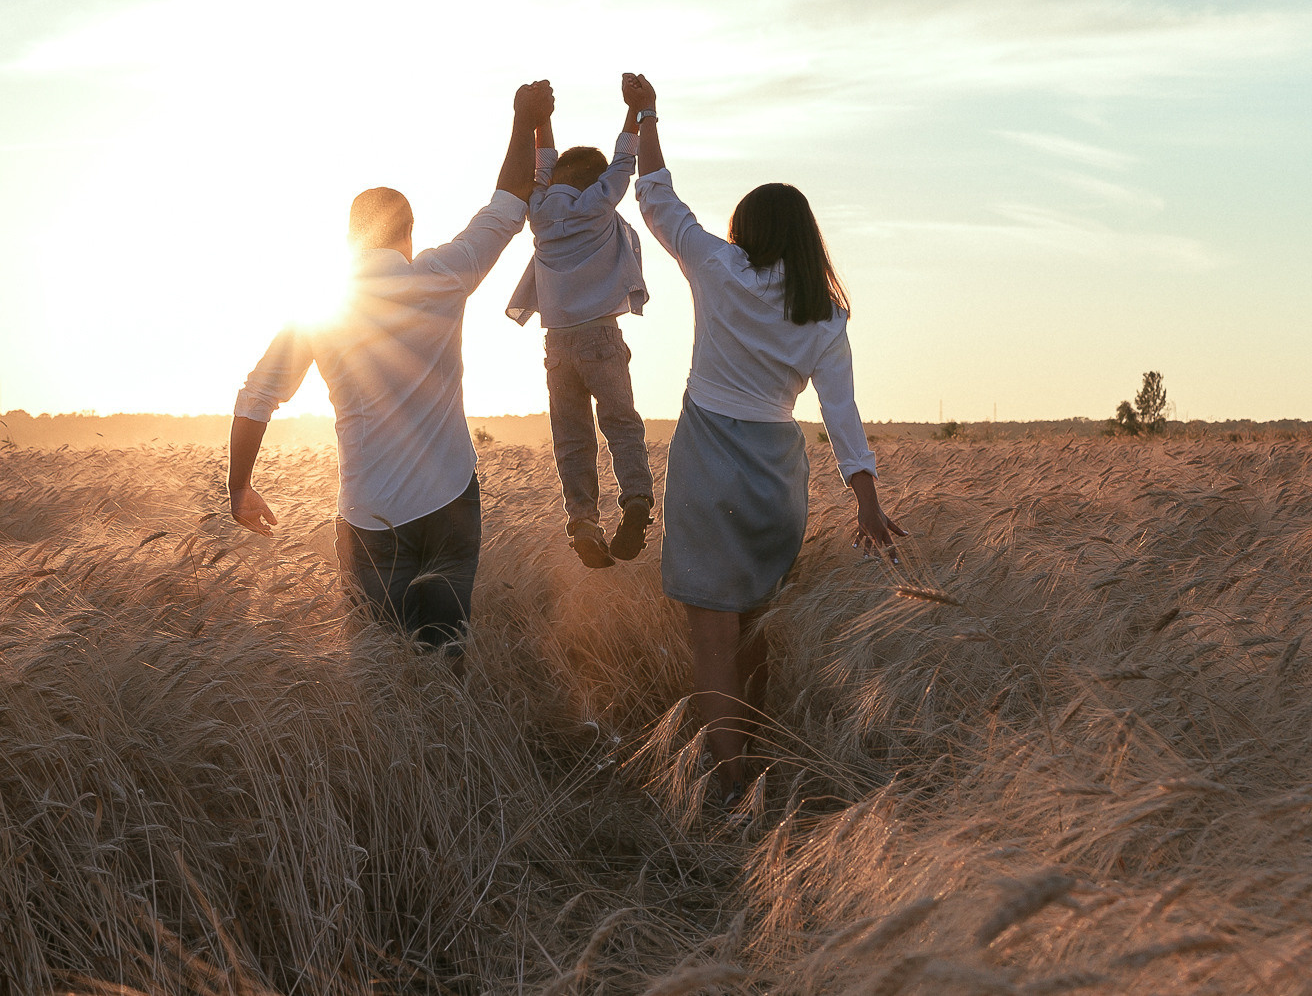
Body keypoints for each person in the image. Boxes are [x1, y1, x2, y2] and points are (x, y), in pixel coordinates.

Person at [625, 72, 904, 793]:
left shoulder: (717, 268)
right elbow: (841, 415)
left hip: (710, 465)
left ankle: (728, 788)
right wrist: (868, 504)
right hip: (777, 478)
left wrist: (646, 115)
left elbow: (655, 196)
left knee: (712, 646)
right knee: (755, 634)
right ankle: (758, 777)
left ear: (744, 231)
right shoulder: (825, 315)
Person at [227, 81, 554, 657]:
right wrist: (524, 117)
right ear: (409, 233)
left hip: (368, 516)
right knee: (445, 653)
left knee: (380, 665)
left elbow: (257, 396)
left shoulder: (322, 310)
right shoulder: (442, 274)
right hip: (450, 497)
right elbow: (509, 202)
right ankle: (452, 714)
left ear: (350, 240)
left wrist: (239, 486)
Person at [504, 102, 654, 568]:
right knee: (621, 423)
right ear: (595, 180)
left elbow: (542, 163)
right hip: (600, 337)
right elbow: (624, 160)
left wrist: (542, 120)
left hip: (557, 343)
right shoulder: (599, 202)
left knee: (571, 436)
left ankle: (584, 522)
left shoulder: (539, 211)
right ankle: (636, 500)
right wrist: (635, 111)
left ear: (555, 178)